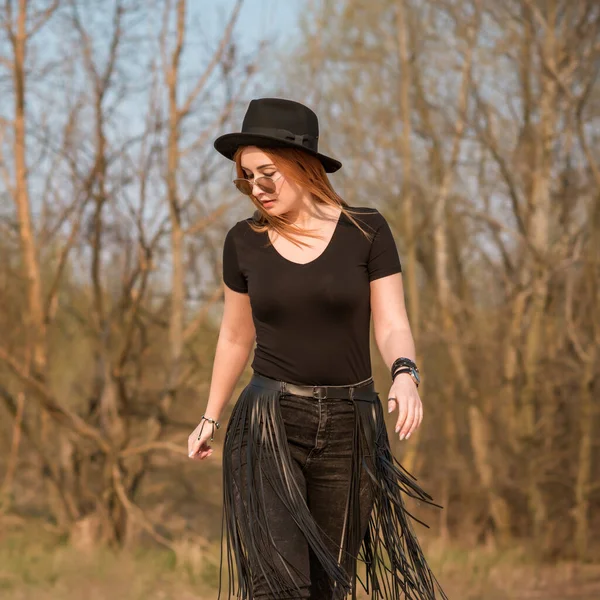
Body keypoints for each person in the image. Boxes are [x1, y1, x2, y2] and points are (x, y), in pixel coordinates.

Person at [187, 98, 448, 600]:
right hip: (268, 423)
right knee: (279, 587)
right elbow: (236, 336)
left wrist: (404, 372)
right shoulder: (243, 242)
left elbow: (392, 322)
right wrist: (210, 416)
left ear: (304, 166)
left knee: (329, 587)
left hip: (353, 426)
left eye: (268, 173)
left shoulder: (366, 231)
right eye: (246, 177)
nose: (257, 188)